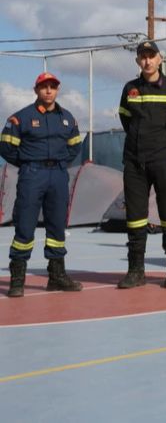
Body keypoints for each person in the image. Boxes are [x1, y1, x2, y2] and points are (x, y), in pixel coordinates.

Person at [117, 40, 166, 289]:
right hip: (135, 162)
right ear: (138, 61)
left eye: (151, 56)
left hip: (163, 160)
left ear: (160, 59)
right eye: (142, 56)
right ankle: (135, 271)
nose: (147, 61)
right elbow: (125, 120)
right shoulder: (130, 89)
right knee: (136, 218)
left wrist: (164, 143)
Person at [1, 72, 83, 297]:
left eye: (53, 87)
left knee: (57, 227)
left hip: (58, 174)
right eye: (44, 87)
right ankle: (17, 280)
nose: (48, 90)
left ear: (57, 90)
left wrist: (61, 163)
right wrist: (27, 163)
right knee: (25, 227)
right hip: (32, 175)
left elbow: (75, 145)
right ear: (36, 90)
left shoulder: (67, 118)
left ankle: (56, 277)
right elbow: (7, 147)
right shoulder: (21, 118)